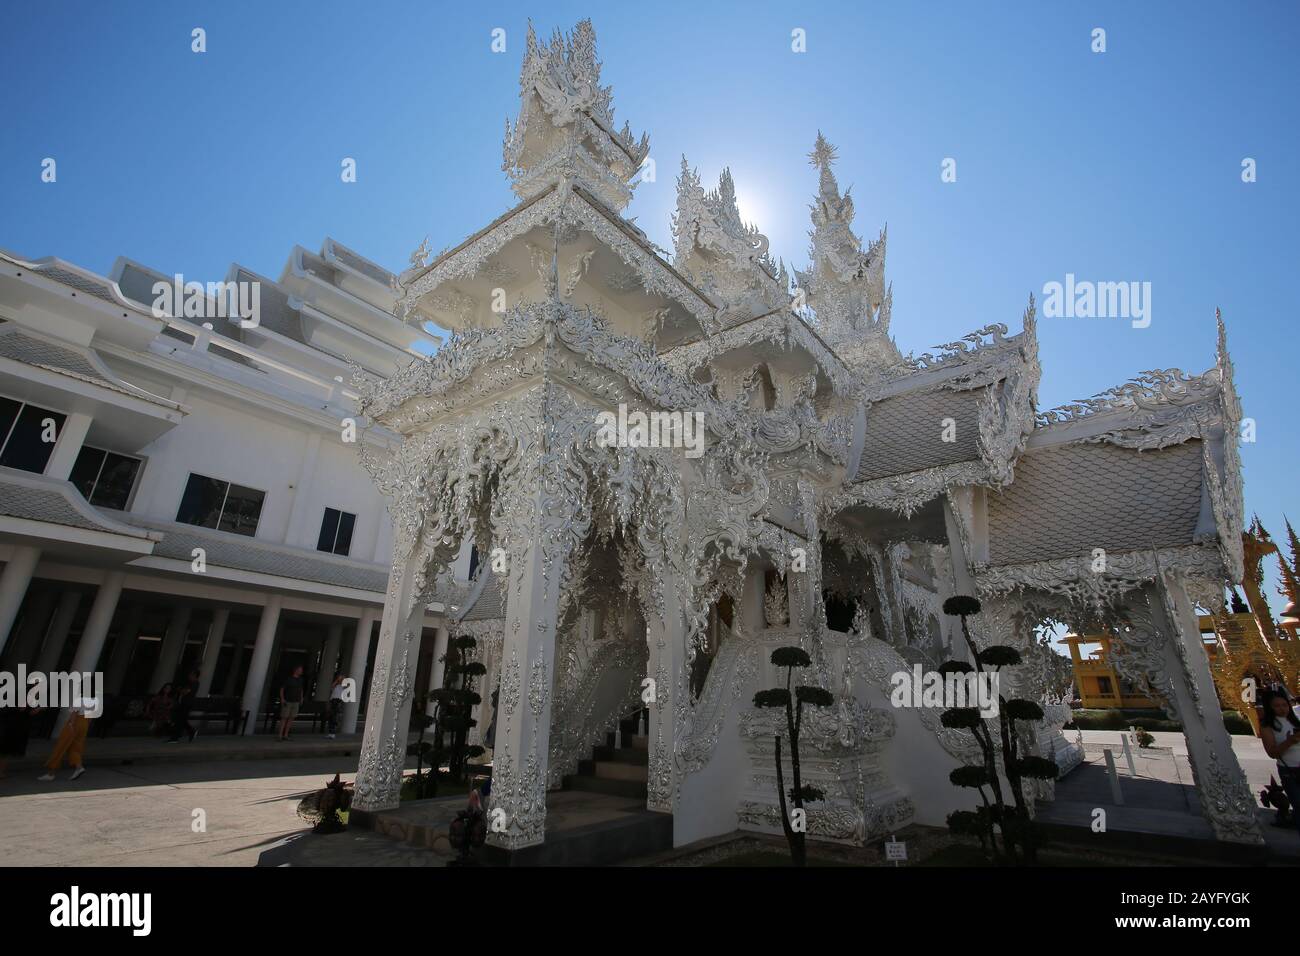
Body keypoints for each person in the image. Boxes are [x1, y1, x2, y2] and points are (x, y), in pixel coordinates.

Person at [1259, 688, 1300, 835]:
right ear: (1269, 707)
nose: (1282, 709)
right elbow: (1272, 752)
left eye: (1284, 705)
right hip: (1289, 770)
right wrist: (1290, 741)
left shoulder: (1296, 718)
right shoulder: (1268, 726)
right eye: (1277, 706)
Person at [38, 703, 93, 781]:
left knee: (61, 746)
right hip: (85, 723)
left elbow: (75, 712)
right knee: (75, 748)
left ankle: (51, 773)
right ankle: (78, 767)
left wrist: (71, 724)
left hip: (75, 722)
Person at [0, 705, 40, 780]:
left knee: (5, 751)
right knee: (4, 750)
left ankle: (1, 772)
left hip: (13, 725)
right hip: (6, 724)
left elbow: (29, 712)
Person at [168, 669, 200, 743]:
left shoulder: (194, 683)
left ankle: (175, 737)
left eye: (191, 674)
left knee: (180, 720)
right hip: (184, 703)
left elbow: (185, 692)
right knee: (181, 719)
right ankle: (190, 731)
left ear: (194, 675)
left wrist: (180, 690)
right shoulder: (190, 683)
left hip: (187, 704)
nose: (189, 676)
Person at [279, 665, 305, 741]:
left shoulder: (300, 680)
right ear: (296, 670)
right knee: (284, 718)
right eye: (300, 670)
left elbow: (301, 689)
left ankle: (286, 735)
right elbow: (282, 689)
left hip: (296, 701)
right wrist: (282, 699)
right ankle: (280, 735)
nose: (301, 671)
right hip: (288, 701)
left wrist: (301, 698)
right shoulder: (288, 679)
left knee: (291, 718)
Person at [326, 671, 345, 739]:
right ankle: (330, 732)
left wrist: (341, 680)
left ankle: (333, 733)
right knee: (331, 717)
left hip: (337, 701)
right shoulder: (336, 685)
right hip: (333, 700)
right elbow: (332, 687)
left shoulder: (343, 685)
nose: (341, 678)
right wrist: (337, 680)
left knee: (334, 717)